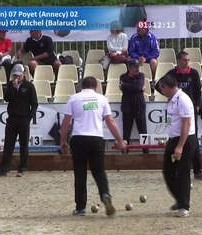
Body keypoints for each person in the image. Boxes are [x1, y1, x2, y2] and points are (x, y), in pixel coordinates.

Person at [59, 76, 126, 216]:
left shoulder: (74, 98)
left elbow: (65, 122)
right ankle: (105, 194)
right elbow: (110, 121)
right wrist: (119, 140)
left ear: (82, 86)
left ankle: (80, 207)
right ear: (95, 87)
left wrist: (63, 140)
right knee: (99, 171)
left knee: (80, 173)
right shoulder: (102, 99)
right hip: (96, 138)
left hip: (78, 138)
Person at [157, 75, 196, 218]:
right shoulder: (172, 100)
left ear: (167, 87)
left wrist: (180, 146)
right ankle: (180, 199)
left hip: (184, 140)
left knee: (183, 173)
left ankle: (184, 206)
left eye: (162, 88)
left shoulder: (183, 100)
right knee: (168, 170)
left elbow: (186, 124)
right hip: (173, 140)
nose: (162, 92)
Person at [163, 51, 202, 180]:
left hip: (188, 111)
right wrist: (168, 96)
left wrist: (197, 105)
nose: (187, 62)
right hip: (176, 110)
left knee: (193, 140)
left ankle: (198, 171)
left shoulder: (194, 73)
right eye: (184, 60)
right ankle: (176, 169)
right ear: (178, 61)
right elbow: (161, 84)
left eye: (188, 60)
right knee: (175, 138)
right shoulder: (171, 74)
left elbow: (199, 91)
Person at [0, 64, 38, 177]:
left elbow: (34, 103)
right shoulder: (10, 85)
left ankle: (22, 168)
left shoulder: (29, 86)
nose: (16, 77)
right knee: (8, 144)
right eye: (15, 75)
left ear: (24, 74)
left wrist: (29, 117)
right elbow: (6, 98)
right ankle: (3, 169)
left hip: (24, 118)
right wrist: (13, 88)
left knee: (23, 144)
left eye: (18, 75)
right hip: (12, 118)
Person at [120, 58, 148, 154]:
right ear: (129, 67)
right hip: (127, 108)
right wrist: (138, 89)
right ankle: (125, 155)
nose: (137, 69)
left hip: (139, 107)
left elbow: (138, 86)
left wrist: (126, 86)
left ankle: (146, 154)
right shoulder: (123, 77)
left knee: (143, 133)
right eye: (135, 67)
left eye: (138, 66)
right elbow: (137, 88)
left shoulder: (141, 75)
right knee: (126, 134)